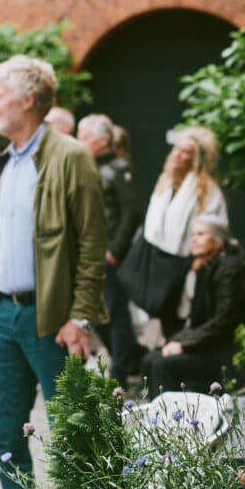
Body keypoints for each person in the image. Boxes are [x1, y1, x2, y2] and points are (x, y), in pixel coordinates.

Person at [0, 56, 107, 489]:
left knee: (71, 432)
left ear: (27, 100)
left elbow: (92, 245)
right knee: (4, 431)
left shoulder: (71, 157)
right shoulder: (8, 161)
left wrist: (81, 317)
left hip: (53, 320)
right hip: (4, 318)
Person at [142, 215, 245, 397]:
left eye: (201, 234)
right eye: (193, 235)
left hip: (227, 351)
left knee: (162, 365)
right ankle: (156, 413)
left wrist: (184, 345)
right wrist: (175, 342)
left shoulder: (231, 270)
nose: (194, 240)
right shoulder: (207, 267)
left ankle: (172, 414)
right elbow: (197, 320)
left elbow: (224, 321)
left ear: (218, 241)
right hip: (210, 344)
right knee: (151, 358)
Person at [142, 125, 228, 333]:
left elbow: (215, 226)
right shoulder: (165, 181)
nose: (178, 155)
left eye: (186, 152)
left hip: (189, 261)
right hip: (161, 260)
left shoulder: (206, 188)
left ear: (196, 158)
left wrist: (199, 259)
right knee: (164, 313)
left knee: (186, 314)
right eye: (176, 149)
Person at [77, 113, 142, 384]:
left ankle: (121, 371)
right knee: (97, 312)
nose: (79, 141)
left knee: (115, 311)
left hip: (109, 254)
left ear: (103, 141)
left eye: (85, 137)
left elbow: (131, 213)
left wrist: (114, 250)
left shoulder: (118, 169)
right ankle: (130, 358)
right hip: (90, 252)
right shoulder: (87, 166)